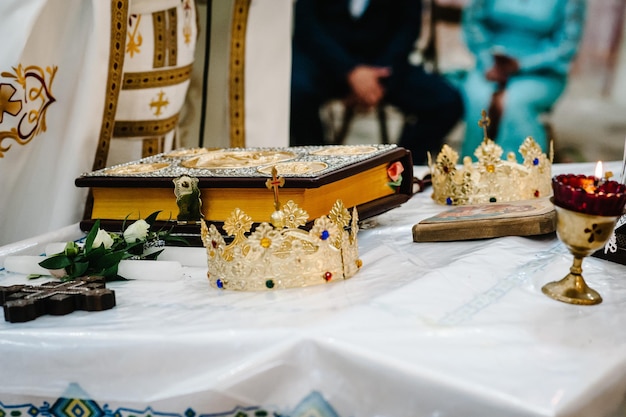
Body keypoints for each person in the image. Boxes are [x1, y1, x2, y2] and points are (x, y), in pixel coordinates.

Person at [290, 0, 464, 165]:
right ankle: (316, 168)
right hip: (326, 62)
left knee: (446, 102)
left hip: (383, 67)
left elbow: (408, 27)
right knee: (295, 92)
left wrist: (375, 78)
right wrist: (350, 71)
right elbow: (306, 24)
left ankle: (400, 169)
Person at [459, 0, 586, 160]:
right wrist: (488, 61)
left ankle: (521, 175)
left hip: (543, 71)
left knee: (514, 103)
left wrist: (522, 64)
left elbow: (567, 45)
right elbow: (472, 21)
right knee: (479, 100)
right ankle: (471, 173)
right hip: (490, 66)